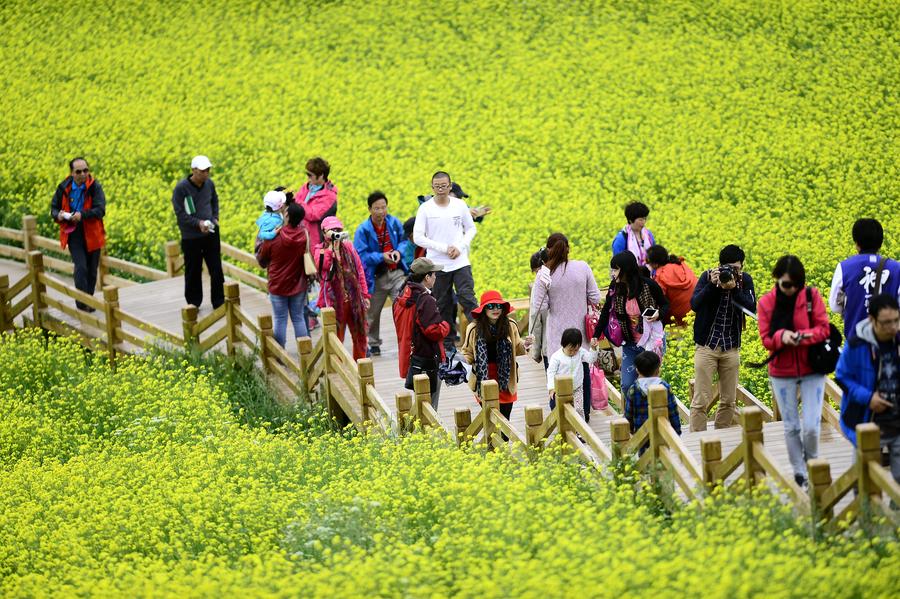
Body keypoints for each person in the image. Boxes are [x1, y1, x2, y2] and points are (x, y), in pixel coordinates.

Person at [756, 255, 830, 487]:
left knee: (811, 427)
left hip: (812, 368)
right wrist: (782, 337)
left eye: (797, 284)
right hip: (782, 371)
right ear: (777, 279)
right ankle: (800, 473)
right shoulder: (766, 303)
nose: (792, 289)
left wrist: (802, 337)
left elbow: (824, 329)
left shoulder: (810, 296)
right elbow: (766, 338)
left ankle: (812, 463)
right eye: (787, 284)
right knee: (792, 427)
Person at [530, 233, 602, 421]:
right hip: (580, 338)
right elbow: (595, 297)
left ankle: (560, 418)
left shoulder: (544, 275)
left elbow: (539, 307)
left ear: (548, 250)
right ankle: (583, 416)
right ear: (568, 248)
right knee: (582, 377)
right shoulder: (583, 267)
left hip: (557, 340)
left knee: (556, 377)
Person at [688, 244, 756, 431]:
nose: (732, 272)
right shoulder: (707, 277)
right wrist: (712, 285)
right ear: (719, 266)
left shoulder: (744, 280)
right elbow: (694, 304)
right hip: (707, 346)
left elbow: (751, 308)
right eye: (728, 268)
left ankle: (723, 436)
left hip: (731, 347)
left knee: (729, 400)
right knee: (700, 399)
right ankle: (698, 440)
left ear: (742, 267)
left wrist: (734, 289)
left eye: (736, 269)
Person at [836, 294, 900, 484]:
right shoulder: (857, 344)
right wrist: (868, 398)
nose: (893, 327)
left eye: (896, 320)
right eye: (886, 323)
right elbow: (842, 376)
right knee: (863, 480)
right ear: (872, 319)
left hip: (897, 419)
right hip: (868, 421)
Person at [412, 171, 478, 351]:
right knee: (442, 303)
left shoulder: (459, 205)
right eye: (437, 186)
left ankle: (479, 335)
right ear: (432, 188)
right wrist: (444, 248)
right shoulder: (425, 208)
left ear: (450, 186)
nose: (440, 189)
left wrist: (460, 246)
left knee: (467, 297)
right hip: (437, 263)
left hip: (460, 261)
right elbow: (418, 237)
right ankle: (447, 346)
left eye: (444, 186)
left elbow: (471, 229)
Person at [594, 251, 669, 396]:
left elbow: (665, 305)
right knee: (627, 385)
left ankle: (648, 409)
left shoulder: (648, 285)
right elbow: (606, 312)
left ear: (626, 270)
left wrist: (659, 314)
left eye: (615, 269)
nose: (612, 273)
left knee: (650, 385)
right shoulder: (615, 288)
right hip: (630, 343)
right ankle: (634, 409)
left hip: (650, 342)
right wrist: (596, 335)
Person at [353, 191, 409, 356]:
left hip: (397, 273)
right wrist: (381, 257)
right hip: (376, 277)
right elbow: (361, 255)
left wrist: (398, 252)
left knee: (403, 305)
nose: (381, 211)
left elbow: (404, 241)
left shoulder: (394, 222)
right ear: (370, 209)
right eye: (377, 208)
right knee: (373, 312)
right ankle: (373, 343)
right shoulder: (363, 230)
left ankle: (406, 339)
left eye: (383, 207)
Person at [461, 291, 527, 428]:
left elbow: (518, 348)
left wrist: (526, 344)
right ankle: (493, 442)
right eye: (490, 306)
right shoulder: (473, 328)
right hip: (483, 379)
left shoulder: (510, 325)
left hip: (506, 378)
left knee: (505, 419)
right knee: (490, 420)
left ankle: (504, 440)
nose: (495, 309)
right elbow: (467, 353)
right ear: (484, 309)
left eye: (498, 306)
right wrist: (459, 364)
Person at [49, 157, 106, 312]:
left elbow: (100, 210)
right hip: (74, 232)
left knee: (92, 270)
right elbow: (53, 208)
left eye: (85, 170)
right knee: (81, 267)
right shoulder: (63, 187)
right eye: (79, 171)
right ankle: (83, 303)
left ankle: (88, 301)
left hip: (93, 232)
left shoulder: (95, 187)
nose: (83, 174)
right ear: (72, 173)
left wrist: (82, 215)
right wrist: (59, 215)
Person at [829, 218, 900, 339]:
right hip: (889, 340)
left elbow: (834, 306)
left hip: (856, 339)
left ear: (856, 243)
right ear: (880, 243)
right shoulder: (896, 268)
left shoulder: (844, 267)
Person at [171, 155, 225, 309]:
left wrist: (215, 218)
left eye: (208, 170)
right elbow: (180, 213)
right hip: (191, 237)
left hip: (211, 233)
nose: (206, 173)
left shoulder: (210, 184)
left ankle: (219, 302)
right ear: (193, 170)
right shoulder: (181, 188)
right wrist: (198, 224)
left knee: (216, 268)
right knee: (193, 270)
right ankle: (193, 303)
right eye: (202, 171)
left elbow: (215, 201)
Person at [398, 258, 449, 408]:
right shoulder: (426, 299)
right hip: (428, 358)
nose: (435, 277)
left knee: (421, 402)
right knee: (430, 404)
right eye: (434, 274)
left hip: (413, 355)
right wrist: (445, 326)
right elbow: (433, 330)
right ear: (427, 277)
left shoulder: (404, 294)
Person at [316, 216, 369, 360]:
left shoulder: (349, 247)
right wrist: (331, 250)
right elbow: (323, 267)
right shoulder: (320, 250)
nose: (336, 233)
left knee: (360, 336)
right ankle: (337, 366)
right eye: (332, 230)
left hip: (353, 300)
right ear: (324, 232)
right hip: (333, 303)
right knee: (336, 338)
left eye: (338, 230)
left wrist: (365, 295)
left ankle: (359, 364)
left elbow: (359, 270)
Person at [257, 203, 309, 347]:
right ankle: (305, 354)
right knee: (298, 318)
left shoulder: (274, 236)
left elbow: (262, 260)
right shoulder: (304, 235)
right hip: (298, 284)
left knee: (280, 319)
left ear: (286, 215)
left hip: (277, 285)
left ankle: (279, 354)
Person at [623, 351, 682, 438]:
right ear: (658, 369)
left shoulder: (633, 389)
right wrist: (677, 433)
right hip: (663, 435)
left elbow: (628, 415)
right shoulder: (665, 387)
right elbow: (673, 413)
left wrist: (630, 431)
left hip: (641, 437)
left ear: (637, 370)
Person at [546, 328, 598, 419]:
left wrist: (593, 349)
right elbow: (551, 373)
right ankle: (560, 424)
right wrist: (551, 388)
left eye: (575, 350)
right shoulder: (556, 357)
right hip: (560, 388)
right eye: (570, 350)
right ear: (563, 345)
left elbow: (591, 359)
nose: (573, 353)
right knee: (557, 407)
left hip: (577, 387)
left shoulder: (581, 352)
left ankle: (580, 426)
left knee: (579, 409)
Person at [646, 245, 697, 326]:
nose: (647, 263)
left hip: (677, 321)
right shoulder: (680, 264)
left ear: (655, 264)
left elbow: (655, 301)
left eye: (647, 261)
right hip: (695, 313)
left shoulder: (660, 276)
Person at [297, 157, 338, 253]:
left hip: (316, 243)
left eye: (310, 175)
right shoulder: (307, 187)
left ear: (321, 176)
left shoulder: (329, 196)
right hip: (301, 237)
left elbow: (313, 214)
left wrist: (295, 202)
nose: (308, 178)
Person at [611, 201, 655, 268]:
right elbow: (618, 264)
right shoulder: (621, 239)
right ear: (631, 220)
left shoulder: (648, 235)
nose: (643, 222)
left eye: (645, 219)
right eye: (640, 220)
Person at [527, 251, 548, 366]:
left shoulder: (539, 285)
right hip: (575, 344)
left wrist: (535, 352)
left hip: (550, 346)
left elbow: (536, 321)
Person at [254, 189, 287, 255]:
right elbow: (262, 234)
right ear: (280, 207)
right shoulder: (273, 221)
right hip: (265, 252)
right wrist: (273, 233)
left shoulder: (266, 213)